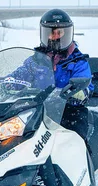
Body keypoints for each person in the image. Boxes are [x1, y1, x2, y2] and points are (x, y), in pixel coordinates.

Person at [35, 9, 94, 142]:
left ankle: (80, 160)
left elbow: (86, 84)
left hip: (68, 111)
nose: (55, 37)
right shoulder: (35, 61)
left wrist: (79, 93)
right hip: (38, 111)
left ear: (67, 33)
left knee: (74, 140)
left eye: (59, 32)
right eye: (51, 32)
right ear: (44, 34)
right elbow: (19, 75)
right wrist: (1, 85)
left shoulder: (78, 61)